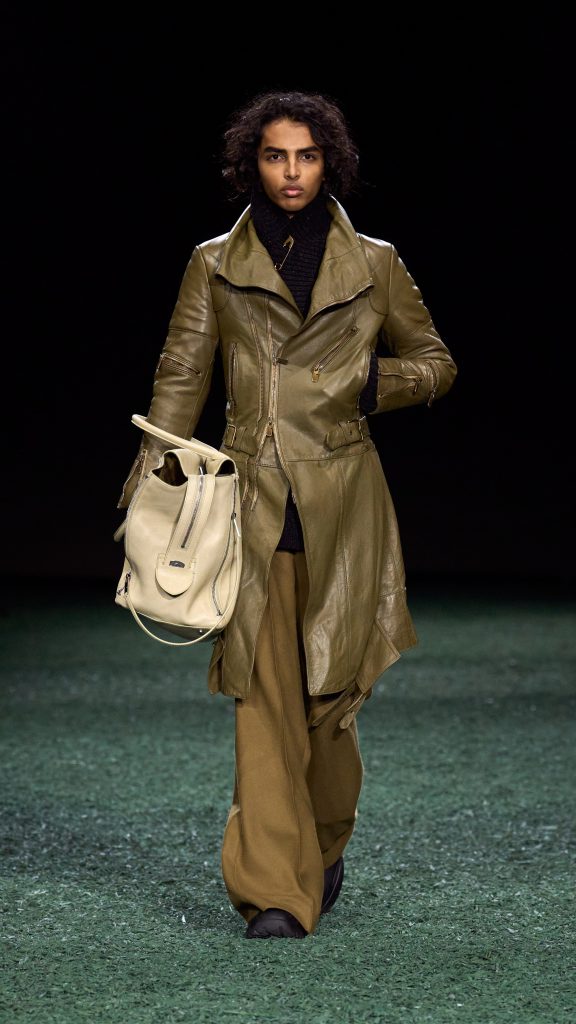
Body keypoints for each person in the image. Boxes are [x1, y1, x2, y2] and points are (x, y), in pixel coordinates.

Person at [117, 90, 457, 940]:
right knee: (263, 703)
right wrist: (154, 485)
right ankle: (274, 891)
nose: (292, 172)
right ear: (252, 163)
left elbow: (435, 360)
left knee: (331, 704)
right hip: (254, 506)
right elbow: (181, 375)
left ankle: (324, 839)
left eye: (306, 156)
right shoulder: (213, 263)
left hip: (346, 505)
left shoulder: (375, 262)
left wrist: (373, 383)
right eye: (275, 156)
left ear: (328, 161)